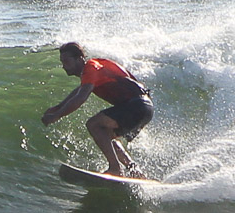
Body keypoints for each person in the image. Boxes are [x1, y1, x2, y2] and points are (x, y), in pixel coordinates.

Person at [41, 42, 153, 178]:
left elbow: (81, 97)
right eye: (62, 62)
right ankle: (134, 170)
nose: (64, 66)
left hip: (136, 105)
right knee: (106, 135)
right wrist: (59, 107)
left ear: (79, 59)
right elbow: (79, 91)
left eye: (66, 61)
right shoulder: (94, 71)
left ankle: (115, 168)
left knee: (93, 124)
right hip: (145, 107)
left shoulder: (91, 67)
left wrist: (56, 116)